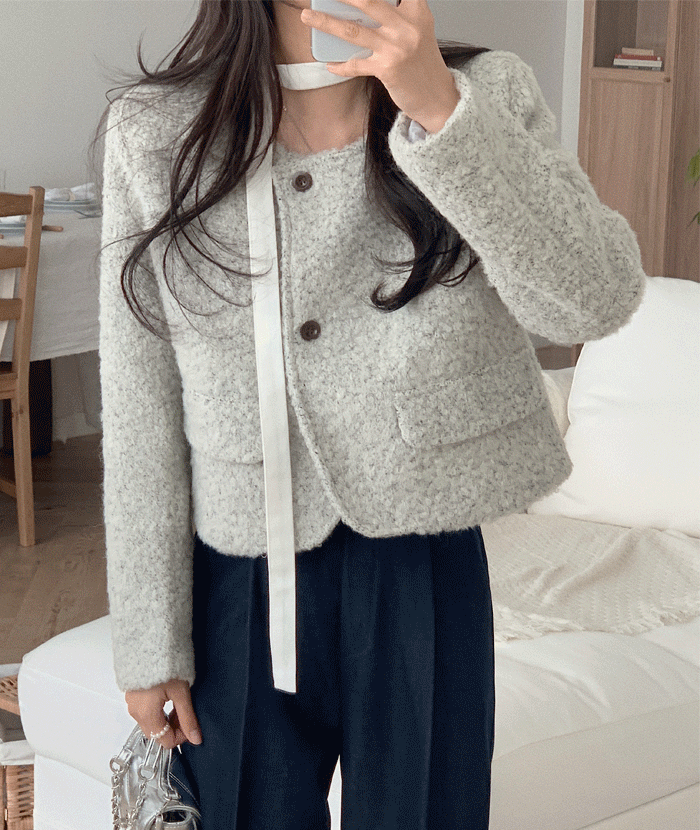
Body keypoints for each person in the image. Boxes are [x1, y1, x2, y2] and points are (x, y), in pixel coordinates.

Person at [99, 0, 646, 827]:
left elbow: (594, 300)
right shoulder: (156, 129)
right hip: (241, 572)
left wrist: (439, 109)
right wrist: (149, 637)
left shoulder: (484, 94)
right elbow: (138, 397)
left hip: (422, 557)